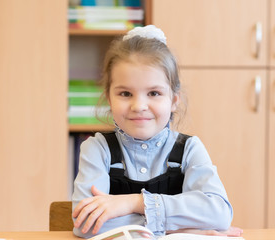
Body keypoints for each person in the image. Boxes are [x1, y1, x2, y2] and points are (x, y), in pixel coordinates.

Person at [72, 25, 242, 238]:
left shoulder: (189, 148)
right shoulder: (96, 149)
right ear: (109, 98)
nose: (139, 105)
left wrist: (133, 203)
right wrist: (182, 227)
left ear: (173, 100)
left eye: (153, 93)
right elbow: (86, 224)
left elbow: (219, 213)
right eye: (125, 93)